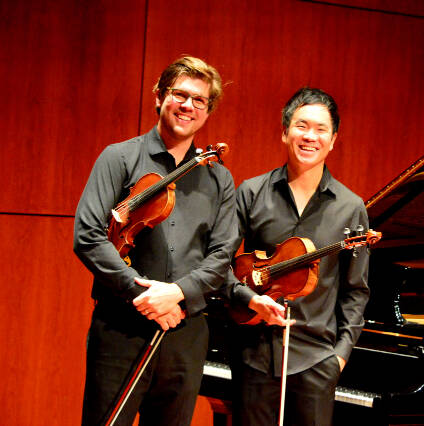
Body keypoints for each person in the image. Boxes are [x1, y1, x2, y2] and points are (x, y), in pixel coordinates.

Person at [73, 55, 285, 426]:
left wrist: (175, 294)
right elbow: (88, 235)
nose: (188, 106)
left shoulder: (219, 179)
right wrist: (141, 293)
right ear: (159, 97)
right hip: (120, 328)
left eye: (199, 100)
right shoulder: (119, 158)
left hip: (185, 334)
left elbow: (220, 257)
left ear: (207, 112)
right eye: (179, 95)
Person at [229, 87, 371, 425]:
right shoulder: (251, 192)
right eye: (301, 126)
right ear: (285, 131)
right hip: (255, 356)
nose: (310, 137)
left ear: (333, 139)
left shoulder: (351, 209)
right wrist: (250, 300)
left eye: (321, 129)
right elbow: (221, 264)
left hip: (317, 361)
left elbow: (356, 290)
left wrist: (339, 357)